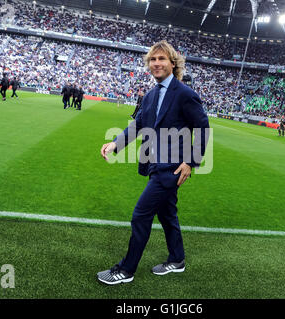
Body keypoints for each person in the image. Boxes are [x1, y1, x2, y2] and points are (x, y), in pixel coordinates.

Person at [98, 40, 209, 285]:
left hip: (171, 169)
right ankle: (177, 259)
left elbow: (203, 129)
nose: (156, 63)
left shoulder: (185, 94)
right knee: (167, 213)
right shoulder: (150, 95)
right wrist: (115, 144)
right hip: (154, 164)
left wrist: (191, 162)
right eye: (152, 59)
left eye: (161, 59)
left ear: (173, 63)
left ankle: (126, 270)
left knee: (141, 215)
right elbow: (137, 126)